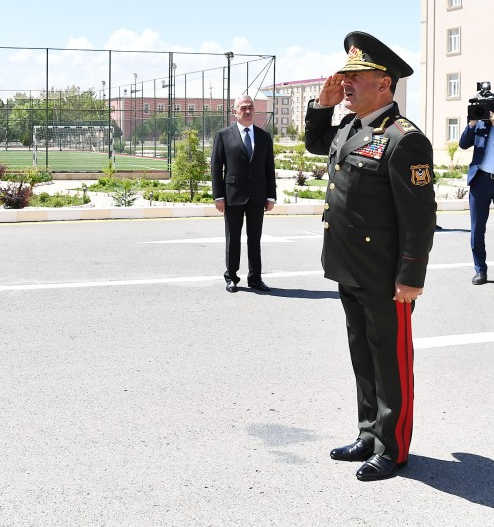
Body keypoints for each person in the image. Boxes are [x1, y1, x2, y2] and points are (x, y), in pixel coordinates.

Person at [304, 31, 436, 481]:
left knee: (391, 360)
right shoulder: (350, 128)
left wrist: (411, 276)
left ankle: (394, 448)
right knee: (362, 354)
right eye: (345, 75)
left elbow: (420, 217)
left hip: (385, 276)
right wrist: (321, 104)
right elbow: (314, 141)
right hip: (348, 266)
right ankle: (369, 433)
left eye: (355, 76)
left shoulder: (404, 139)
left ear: (384, 84)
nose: (345, 82)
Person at [210, 94, 277, 293]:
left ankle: (255, 278)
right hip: (232, 196)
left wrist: (270, 196)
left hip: (257, 195)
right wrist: (218, 196)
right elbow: (216, 167)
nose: (248, 111)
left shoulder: (264, 136)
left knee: (255, 239)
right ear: (235, 111)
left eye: (251, 108)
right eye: (243, 108)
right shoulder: (223, 135)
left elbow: (269, 168)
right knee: (233, 238)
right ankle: (231, 277)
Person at [458, 106, 494, 284]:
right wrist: (472, 123)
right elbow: (463, 144)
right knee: (477, 229)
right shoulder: (479, 124)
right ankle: (480, 271)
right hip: (481, 181)